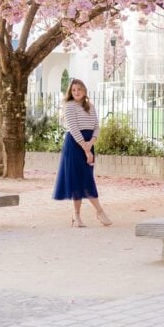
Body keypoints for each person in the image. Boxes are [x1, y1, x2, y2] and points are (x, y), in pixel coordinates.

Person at [52, 78, 112, 227]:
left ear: (84, 90)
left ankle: (79, 215)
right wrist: (86, 149)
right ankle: (94, 212)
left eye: (79, 89)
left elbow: (96, 126)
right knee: (78, 180)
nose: (76, 92)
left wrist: (91, 143)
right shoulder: (69, 106)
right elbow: (73, 128)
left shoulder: (90, 106)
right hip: (74, 144)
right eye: (73, 90)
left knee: (86, 178)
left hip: (88, 144)